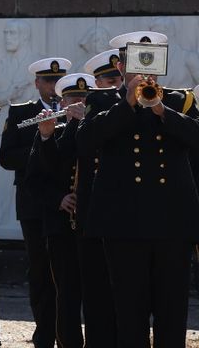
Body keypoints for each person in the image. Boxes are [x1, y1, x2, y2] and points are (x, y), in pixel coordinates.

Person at [79, 31, 199, 348]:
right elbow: (85, 142)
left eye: (150, 61)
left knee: (172, 313)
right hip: (124, 225)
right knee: (129, 315)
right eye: (136, 61)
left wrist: (162, 111)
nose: (144, 69)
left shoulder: (181, 100)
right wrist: (128, 104)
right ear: (120, 66)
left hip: (172, 223)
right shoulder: (101, 101)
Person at [0, 57, 71, 348]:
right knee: (40, 268)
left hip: (67, 200)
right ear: (37, 83)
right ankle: (44, 333)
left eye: (58, 80)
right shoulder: (21, 113)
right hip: (33, 202)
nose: (53, 87)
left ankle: (68, 332)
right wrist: (42, 142)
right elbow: (6, 157)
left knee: (67, 269)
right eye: (48, 81)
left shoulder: (75, 109)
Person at [26, 71, 93, 348]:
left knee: (97, 294)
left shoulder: (102, 129)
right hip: (61, 228)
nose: (78, 102)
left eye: (83, 98)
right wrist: (59, 199)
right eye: (72, 98)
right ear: (62, 102)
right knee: (65, 295)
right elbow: (35, 180)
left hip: (94, 227)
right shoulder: (54, 133)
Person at [72, 49, 125, 347]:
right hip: (94, 214)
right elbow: (77, 152)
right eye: (109, 80)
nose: (116, 85)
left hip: (126, 216)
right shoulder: (95, 106)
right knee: (97, 297)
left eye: (118, 79)